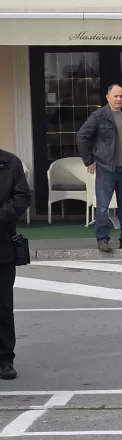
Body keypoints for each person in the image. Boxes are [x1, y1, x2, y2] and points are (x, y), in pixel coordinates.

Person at [76, 84, 122, 253]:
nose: (119, 99)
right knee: (103, 206)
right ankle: (103, 239)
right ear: (107, 97)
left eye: (121, 96)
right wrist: (88, 161)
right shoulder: (98, 116)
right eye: (115, 96)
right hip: (106, 167)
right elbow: (82, 136)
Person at [0, 149, 30, 381]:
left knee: (3, 306)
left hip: (2, 246)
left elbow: (22, 196)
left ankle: (5, 359)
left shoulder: (10, 162)